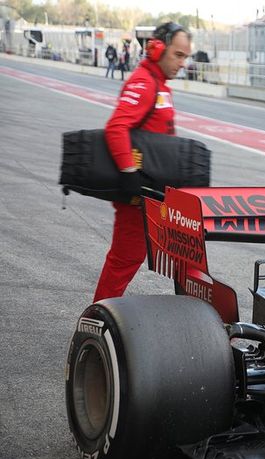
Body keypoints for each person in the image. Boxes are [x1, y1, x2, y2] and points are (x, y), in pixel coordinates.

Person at [93, 22, 192, 302]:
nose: (182, 63)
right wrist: (129, 173)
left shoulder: (160, 84)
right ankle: (96, 321)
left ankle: (193, 325)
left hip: (158, 190)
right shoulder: (144, 81)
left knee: (185, 255)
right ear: (157, 49)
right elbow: (116, 127)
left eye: (185, 56)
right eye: (178, 55)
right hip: (139, 191)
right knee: (125, 259)